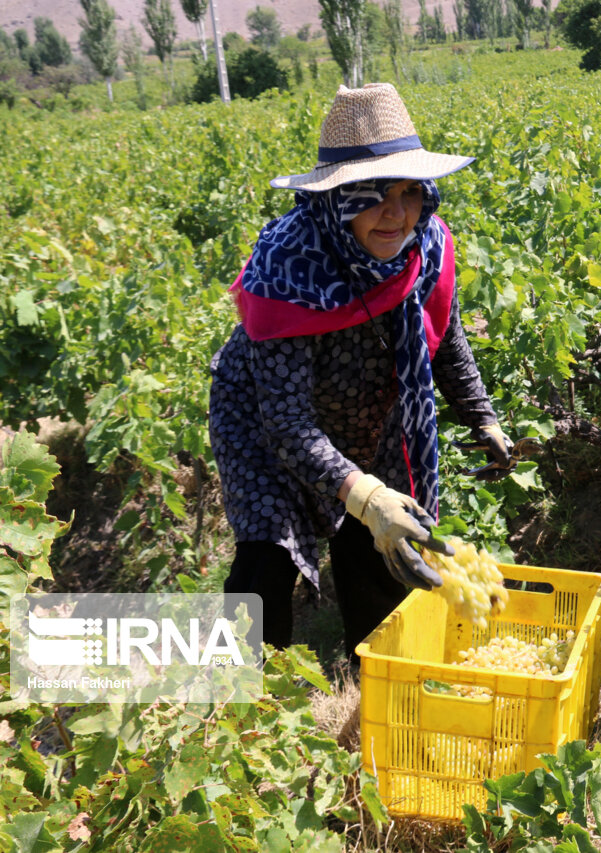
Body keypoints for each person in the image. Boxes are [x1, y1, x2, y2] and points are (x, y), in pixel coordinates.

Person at [209, 83, 513, 658]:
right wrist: (366, 495)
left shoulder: (426, 245)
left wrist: (484, 418)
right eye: (374, 196)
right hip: (267, 424)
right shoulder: (287, 272)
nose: (396, 213)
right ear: (338, 199)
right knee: (266, 557)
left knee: (379, 549)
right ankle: (237, 699)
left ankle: (369, 673)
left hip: (369, 411)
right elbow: (288, 424)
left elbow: (444, 337)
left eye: (410, 192)